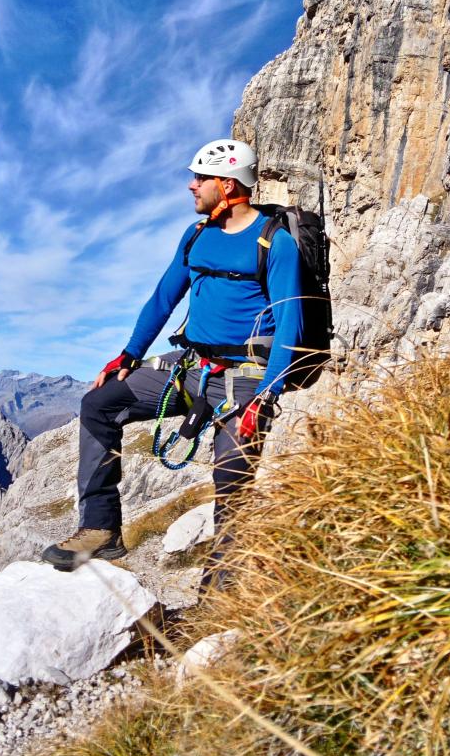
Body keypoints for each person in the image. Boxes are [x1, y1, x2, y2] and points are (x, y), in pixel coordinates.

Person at [42, 138, 304, 582]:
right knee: (99, 403)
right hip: (192, 367)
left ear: (228, 184)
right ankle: (100, 529)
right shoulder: (197, 236)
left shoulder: (273, 243)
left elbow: (290, 323)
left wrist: (266, 394)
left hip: (243, 379)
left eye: (200, 178)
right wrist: (129, 354)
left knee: (233, 477)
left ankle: (223, 594)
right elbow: (164, 298)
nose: (191, 186)